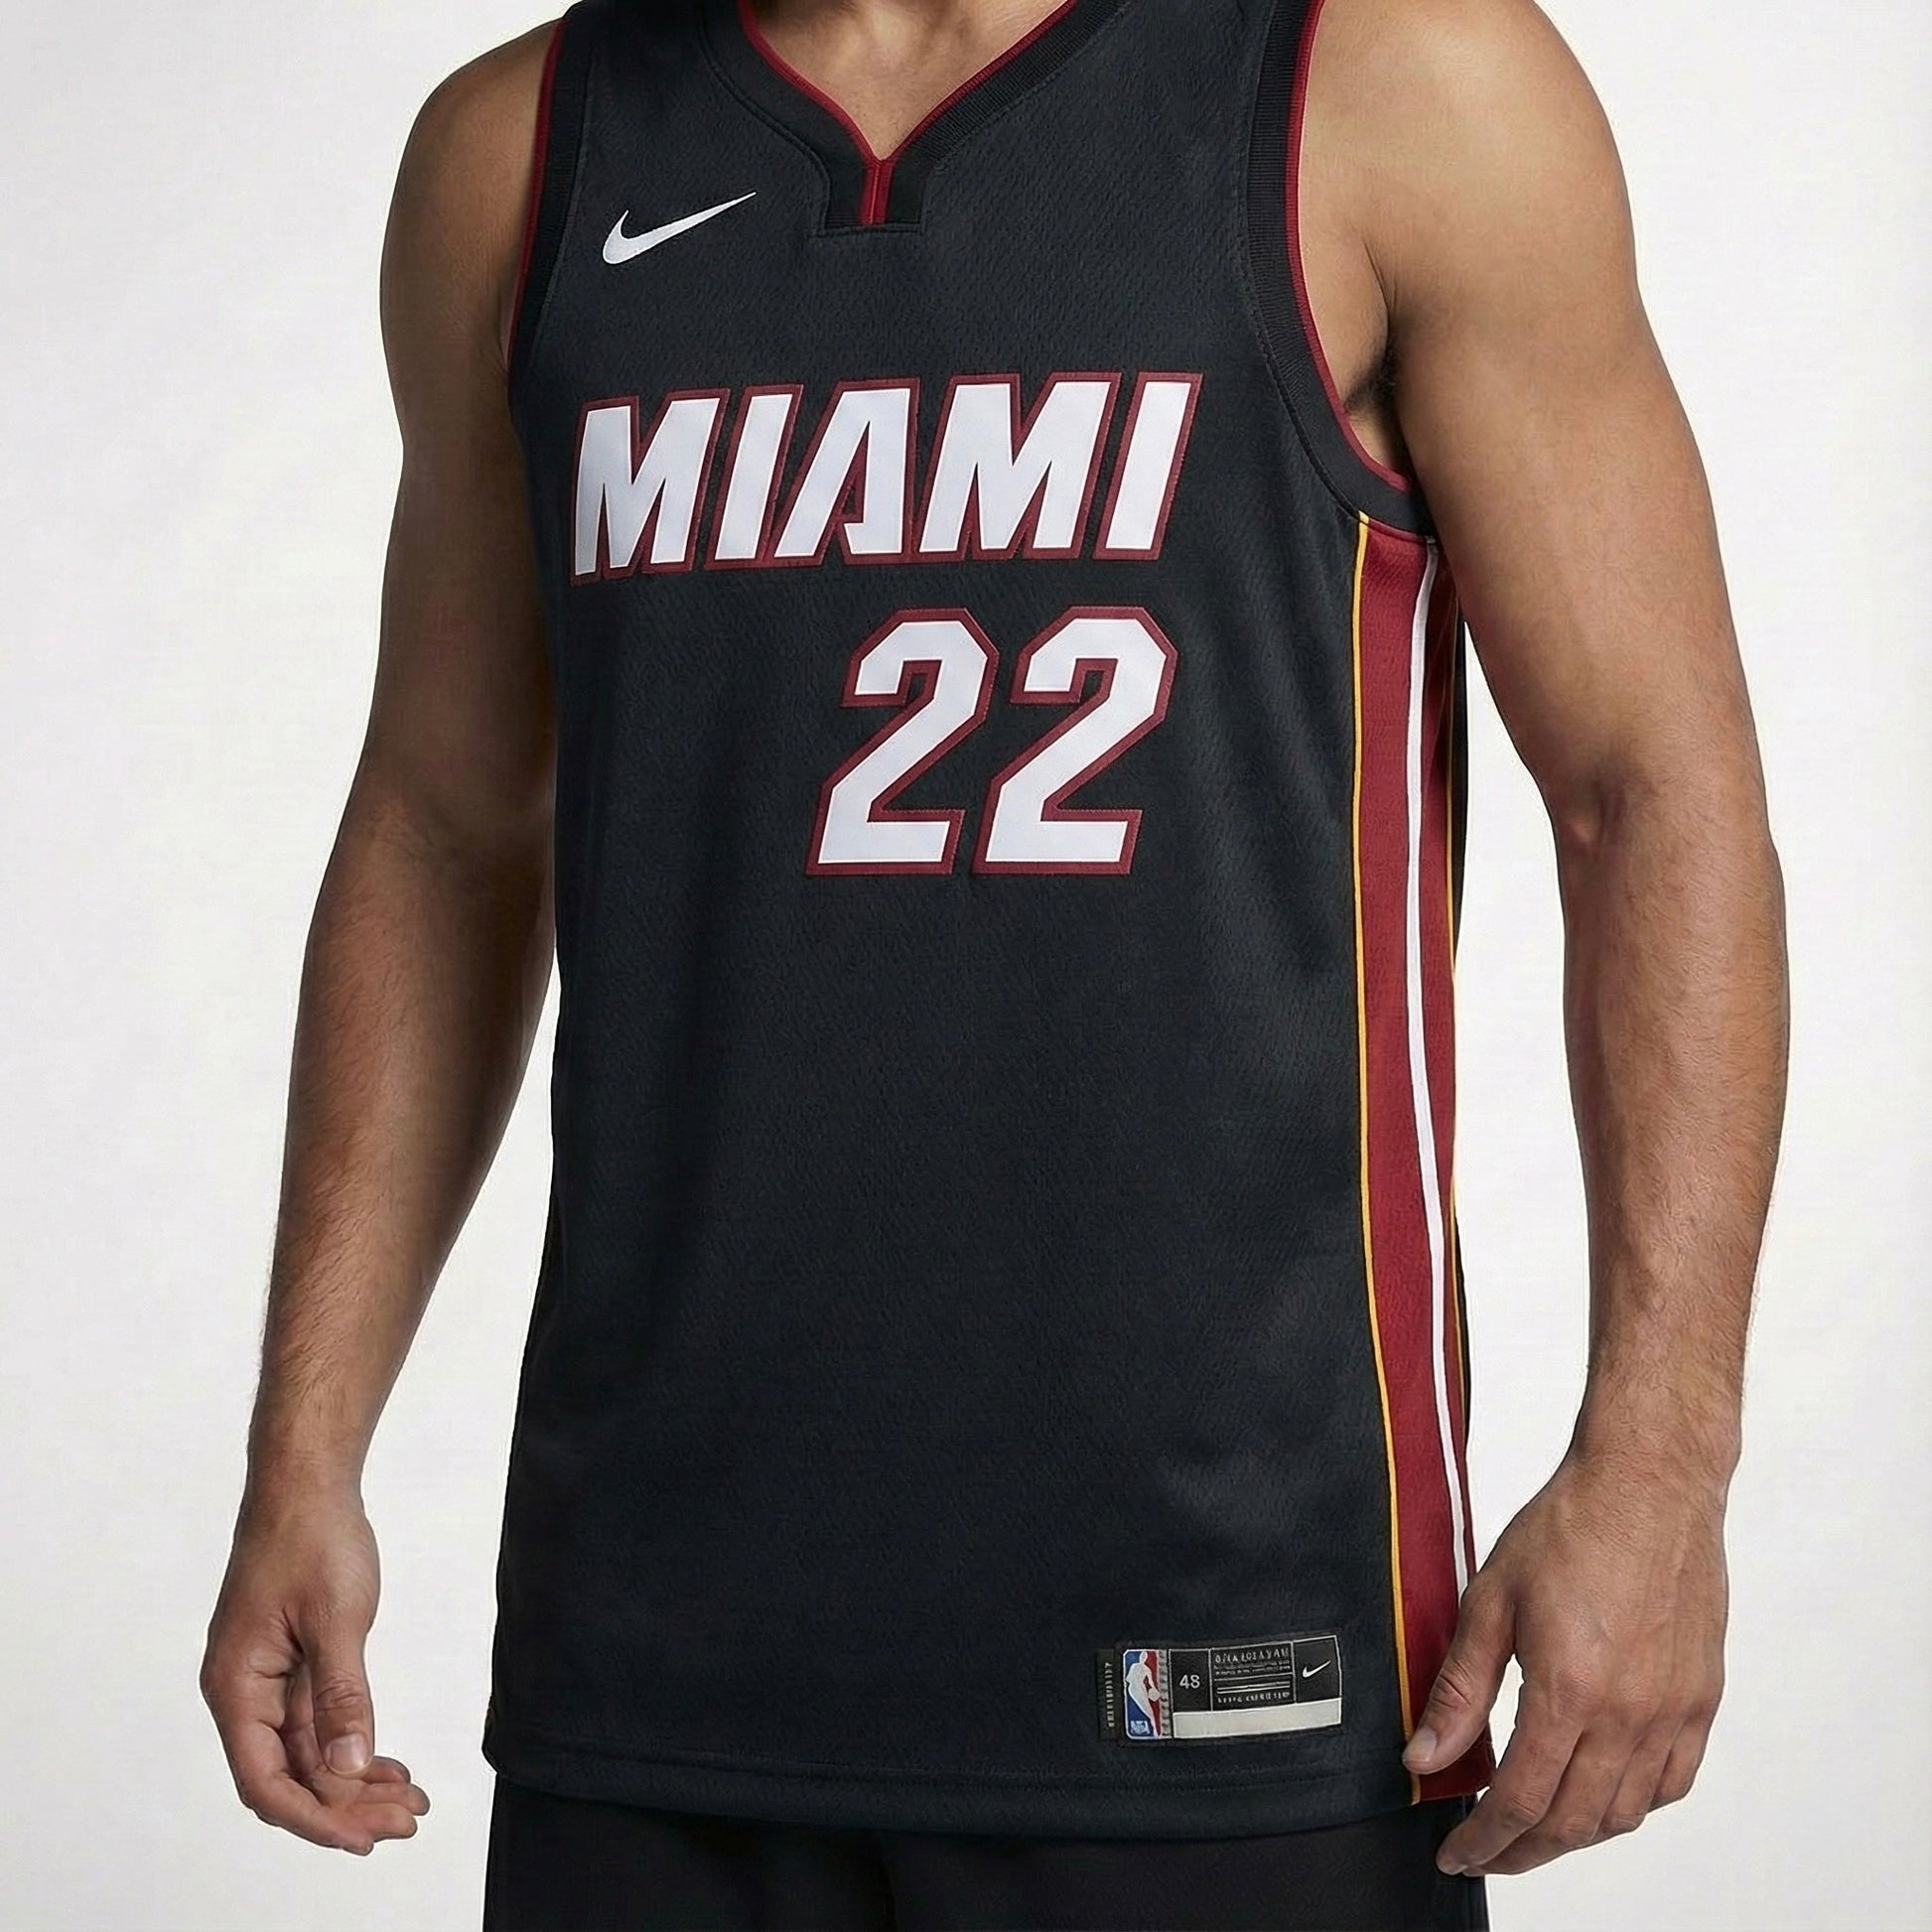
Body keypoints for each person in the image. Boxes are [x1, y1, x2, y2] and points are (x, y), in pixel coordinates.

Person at [199, 0, 1788, 1923]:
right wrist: (305, 1449)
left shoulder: (1389, 84)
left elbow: (1648, 790)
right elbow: (449, 823)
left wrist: (1661, 1457)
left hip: (1238, 1650)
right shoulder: (517, 158)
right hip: (658, 1664)